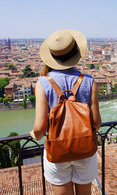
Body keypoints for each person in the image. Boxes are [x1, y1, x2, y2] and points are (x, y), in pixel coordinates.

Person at [30, 29, 102, 195]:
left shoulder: (42, 83)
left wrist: (33, 134)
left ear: (52, 57)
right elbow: (96, 123)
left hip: (57, 151)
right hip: (84, 149)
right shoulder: (89, 80)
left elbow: (40, 130)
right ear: (76, 53)